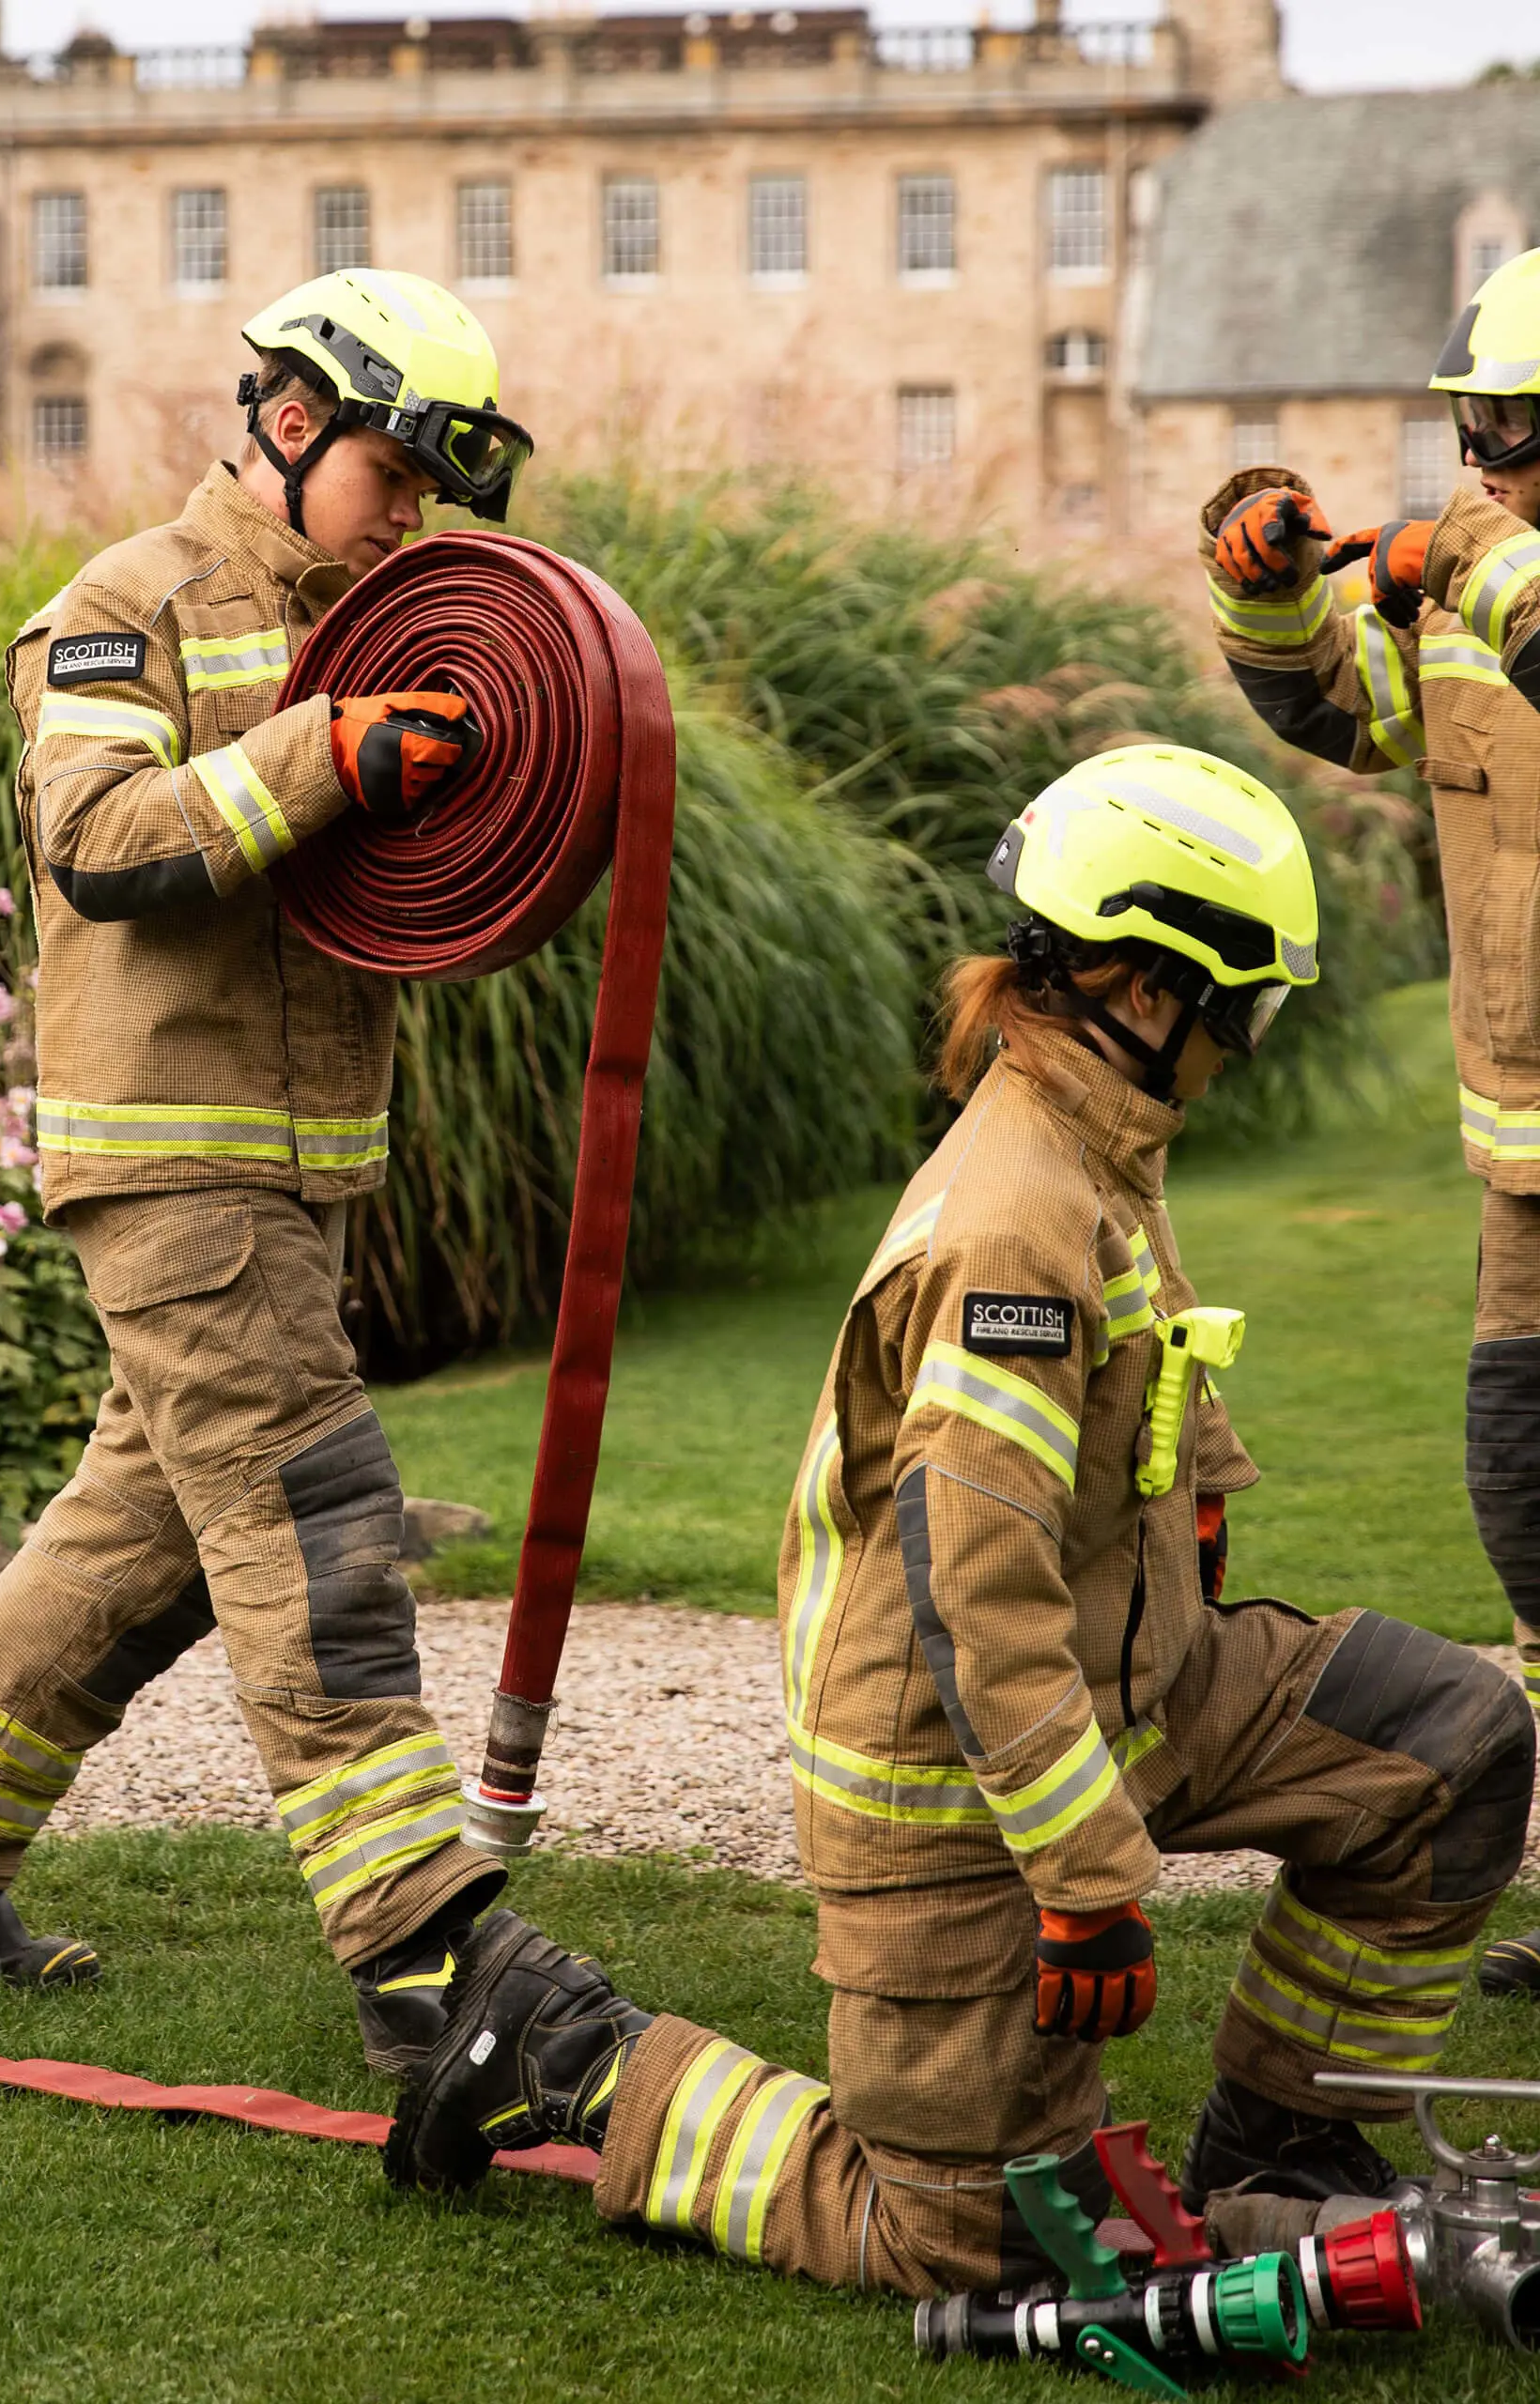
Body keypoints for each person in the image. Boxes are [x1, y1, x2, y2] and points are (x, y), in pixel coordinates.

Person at [385, 747, 1534, 2299]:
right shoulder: (1014, 1217)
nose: (1249, 1046)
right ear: (1140, 982)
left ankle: (1285, 2149)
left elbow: (1149, 1424)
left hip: (1132, 1691)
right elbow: (973, 1585)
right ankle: (563, 2047)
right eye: (1244, 1004)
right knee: (965, 2243)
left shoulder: (1098, 1140)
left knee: (1451, 1744)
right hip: (947, 1788)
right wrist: (1081, 1884)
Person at [0, 269, 538, 2076]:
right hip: (174, 1158)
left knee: (142, 1536)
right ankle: (425, 1959)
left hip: (297, 1160)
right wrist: (329, 748)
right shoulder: (123, 604)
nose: (417, 517)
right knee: (317, 1526)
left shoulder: (390, 622)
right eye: (398, 472)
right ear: (292, 425)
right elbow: (102, 844)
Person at [1198, 243, 1540, 1996]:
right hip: (1527, 1158)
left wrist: (1479, 561)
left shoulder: (1502, 574)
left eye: (1515, 429)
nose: (1478, 461)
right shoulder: (1487, 595)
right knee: (1530, 1502)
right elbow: (1350, 709)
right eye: (1473, 424)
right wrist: (1265, 586)